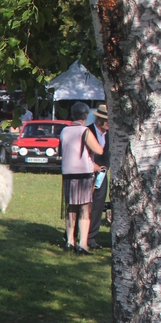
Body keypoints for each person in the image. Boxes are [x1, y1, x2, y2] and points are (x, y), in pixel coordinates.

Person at [59, 102, 105, 254]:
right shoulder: (84, 131)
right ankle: (83, 244)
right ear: (86, 116)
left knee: (71, 207)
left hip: (67, 173)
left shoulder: (64, 131)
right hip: (83, 175)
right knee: (85, 208)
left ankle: (69, 241)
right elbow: (98, 149)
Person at [86, 104, 110, 249]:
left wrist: (105, 166)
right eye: (105, 120)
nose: (108, 123)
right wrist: (92, 165)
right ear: (98, 119)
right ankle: (77, 234)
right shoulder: (88, 131)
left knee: (98, 205)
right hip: (87, 173)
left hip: (102, 174)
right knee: (84, 205)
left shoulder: (111, 135)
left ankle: (91, 237)